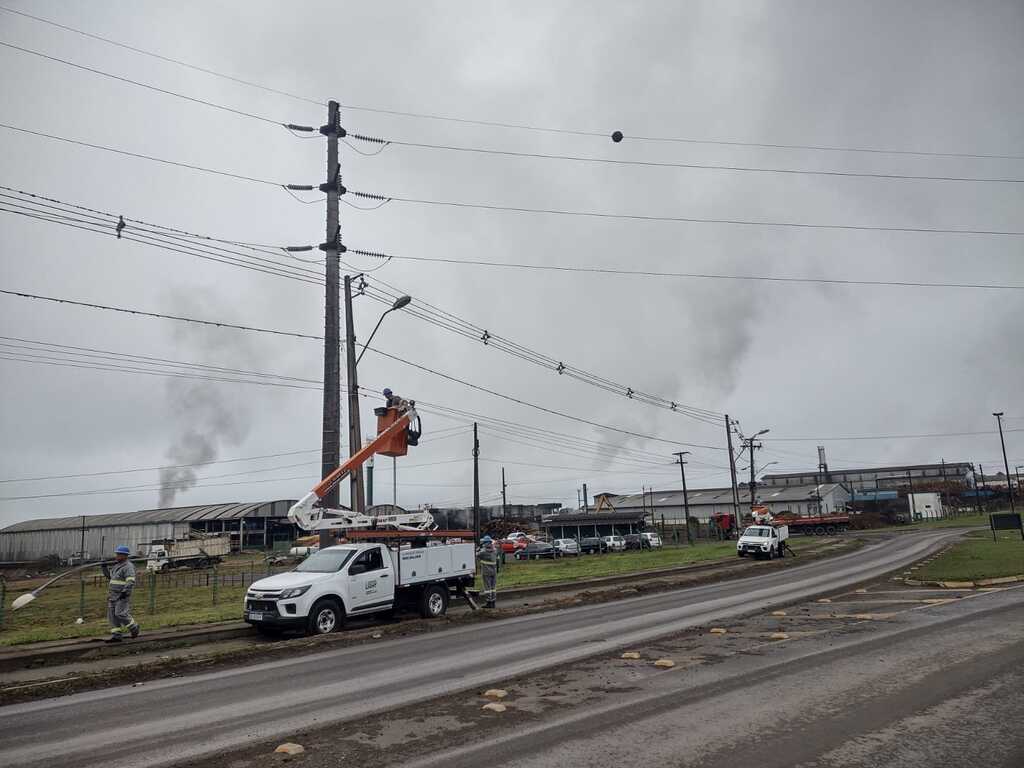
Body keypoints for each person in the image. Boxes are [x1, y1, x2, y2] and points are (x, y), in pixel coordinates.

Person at [104, 545, 139, 643]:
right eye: (117, 554)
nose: (117, 556)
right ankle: (116, 635)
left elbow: (131, 581)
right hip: (112, 595)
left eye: (119, 554)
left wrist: (125, 592)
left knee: (120, 613)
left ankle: (134, 627)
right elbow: (110, 577)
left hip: (121, 595)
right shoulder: (116, 566)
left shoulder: (128, 567)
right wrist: (104, 568)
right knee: (112, 616)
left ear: (125, 556)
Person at [476, 535, 498, 609]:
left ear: (485, 543)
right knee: (493, 588)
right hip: (494, 572)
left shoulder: (483, 552)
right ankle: (493, 602)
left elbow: (477, 555)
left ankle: (489, 603)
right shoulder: (495, 550)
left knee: (487, 588)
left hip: (486, 572)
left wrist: (478, 549)